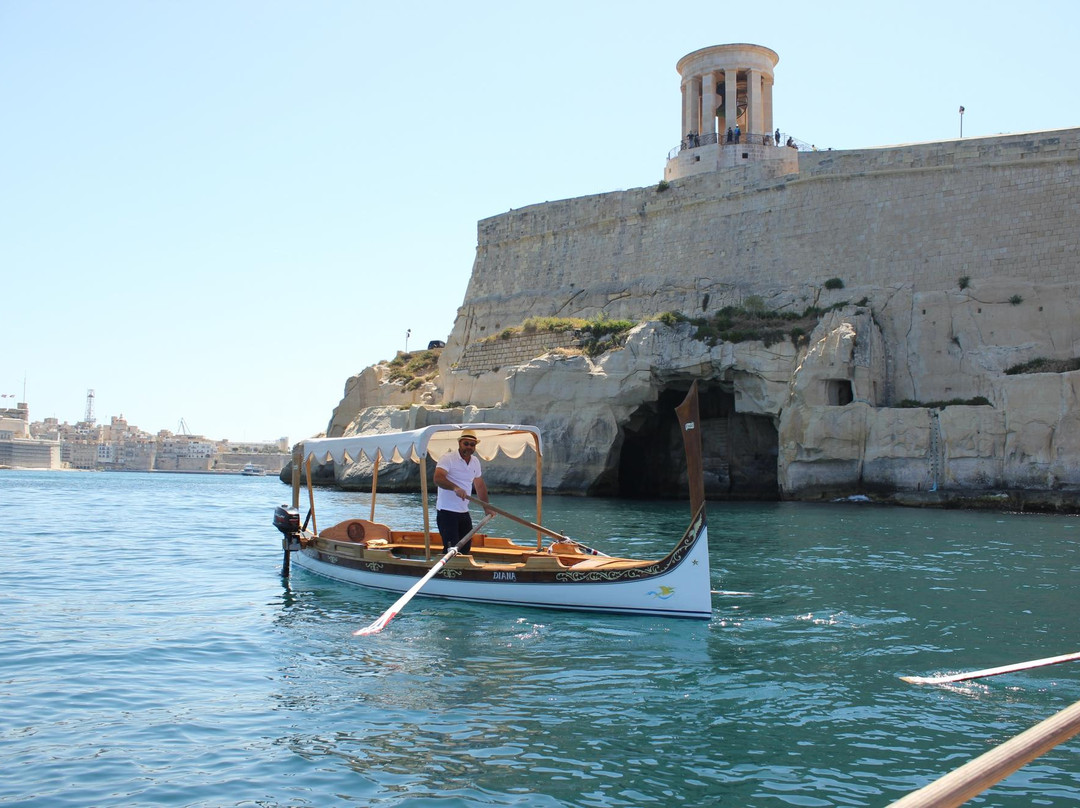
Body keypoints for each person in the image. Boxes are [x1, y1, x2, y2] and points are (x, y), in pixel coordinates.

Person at [433, 430, 492, 554]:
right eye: (466, 443)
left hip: (464, 512)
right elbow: (438, 478)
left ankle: (462, 571)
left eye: (472, 444)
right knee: (451, 549)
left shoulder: (475, 462)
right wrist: (455, 488)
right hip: (447, 512)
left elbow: (480, 485)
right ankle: (449, 572)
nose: (469, 447)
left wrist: (486, 507)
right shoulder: (448, 458)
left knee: (465, 549)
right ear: (460, 443)